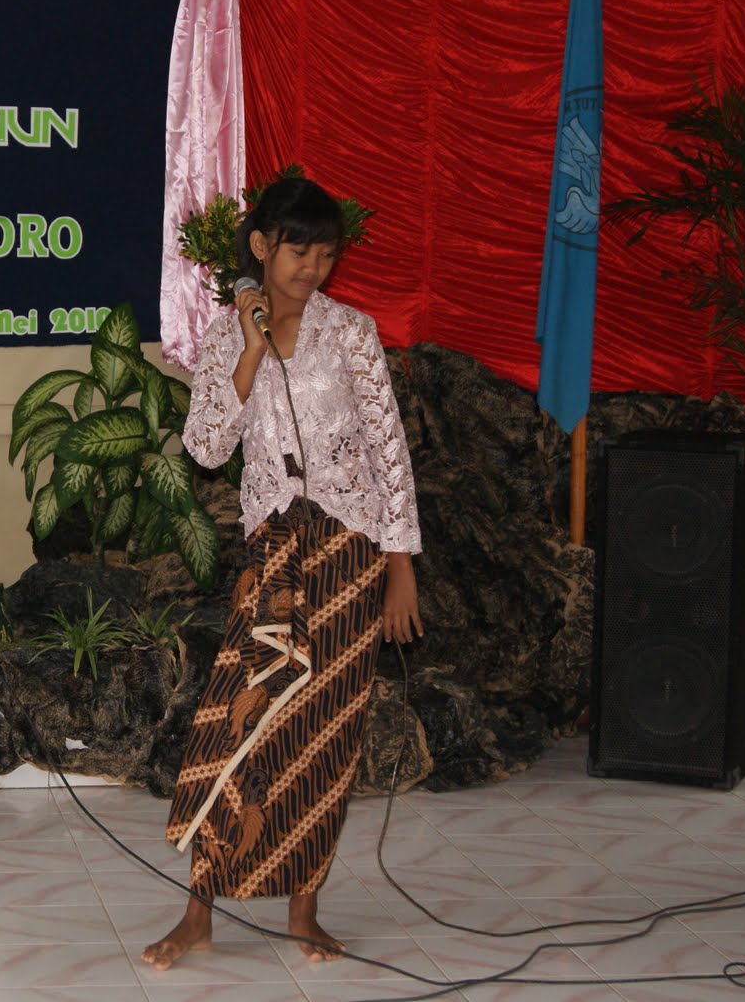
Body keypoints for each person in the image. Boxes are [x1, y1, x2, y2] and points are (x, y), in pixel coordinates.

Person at [142, 175, 422, 970]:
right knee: (233, 722)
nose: (313, 266)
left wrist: (401, 566)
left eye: (327, 253)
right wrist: (251, 352)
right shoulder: (229, 338)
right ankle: (198, 912)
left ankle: (305, 912)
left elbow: (388, 454)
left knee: (326, 739)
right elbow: (203, 448)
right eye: (299, 248)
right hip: (273, 557)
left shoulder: (353, 333)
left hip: (353, 558)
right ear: (261, 246)